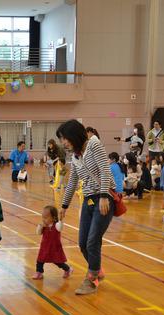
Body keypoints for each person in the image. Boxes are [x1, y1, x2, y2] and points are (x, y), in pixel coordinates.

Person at [58, 119, 115, 295]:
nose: (63, 142)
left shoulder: (93, 144)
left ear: (74, 134)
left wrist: (105, 195)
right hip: (88, 200)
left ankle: (91, 279)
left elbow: (105, 170)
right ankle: (97, 270)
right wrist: (64, 205)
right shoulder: (74, 156)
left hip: (104, 198)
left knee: (92, 241)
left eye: (65, 138)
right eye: (61, 139)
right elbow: (73, 181)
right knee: (83, 243)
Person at [31, 206, 73, 280]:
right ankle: (39, 272)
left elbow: (60, 227)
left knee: (58, 262)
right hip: (44, 247)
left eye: (46, 217)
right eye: (43, 217)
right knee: (40, 260)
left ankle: (68, 269)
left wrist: (61, 219)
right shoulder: (43, 226)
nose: (44, 219)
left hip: (55, 248)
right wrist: (40, 226)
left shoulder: (56, 225)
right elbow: (38, 233)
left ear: (53, 218)